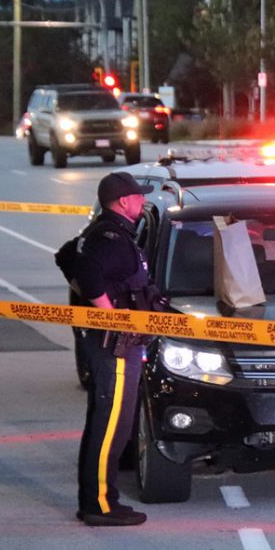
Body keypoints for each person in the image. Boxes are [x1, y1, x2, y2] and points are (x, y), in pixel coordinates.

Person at [70, 172, 158, 527]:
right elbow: (87, 274)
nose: (142, 201)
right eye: (138, 197)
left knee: (104, 424)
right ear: (123, 201)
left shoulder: (105, 232)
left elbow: (68, 260)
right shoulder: (110, 237)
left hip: (109, 345)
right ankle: (101, 505)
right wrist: (111, 315)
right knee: (112, 427)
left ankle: (96, 499)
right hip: (115, 347)